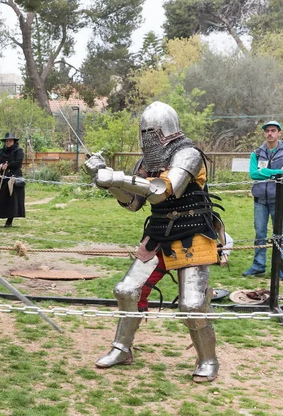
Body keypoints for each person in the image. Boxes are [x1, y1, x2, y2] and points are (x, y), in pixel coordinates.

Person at [85, 101, 222, 383]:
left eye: (152, 132)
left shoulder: (188, 154)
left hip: (192, 233)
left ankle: (208, 360)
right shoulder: (146, 162)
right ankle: (122, 348)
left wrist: (118, 177)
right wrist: (108, 181)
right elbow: (134, 203)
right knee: (126, 290)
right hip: (159, 234)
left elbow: (161, 191)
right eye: (144, 132)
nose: (148, 137)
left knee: (193, 305)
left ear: (165, 129)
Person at [243, 120, 283, 278]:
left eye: (273, 130)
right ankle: (258, 266)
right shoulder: (257, 153)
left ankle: (280, 268)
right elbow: (253, 174)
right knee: (260, 234)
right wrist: (275, 172)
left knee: (280, 234)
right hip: (260, 200)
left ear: (279, 133)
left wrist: (264, 171)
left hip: (279, 200)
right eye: (267, 131)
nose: (270, 133)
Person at [0, 133, 25, 228]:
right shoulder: (1, 151)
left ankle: (9, 221)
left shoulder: (19, 151)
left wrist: (8, 165)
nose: (8, 142)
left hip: (13, 178)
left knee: (12, 200)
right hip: (3, 178)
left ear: (14, 141)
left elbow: (18, 163)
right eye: (6, 141)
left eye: (10, 140)